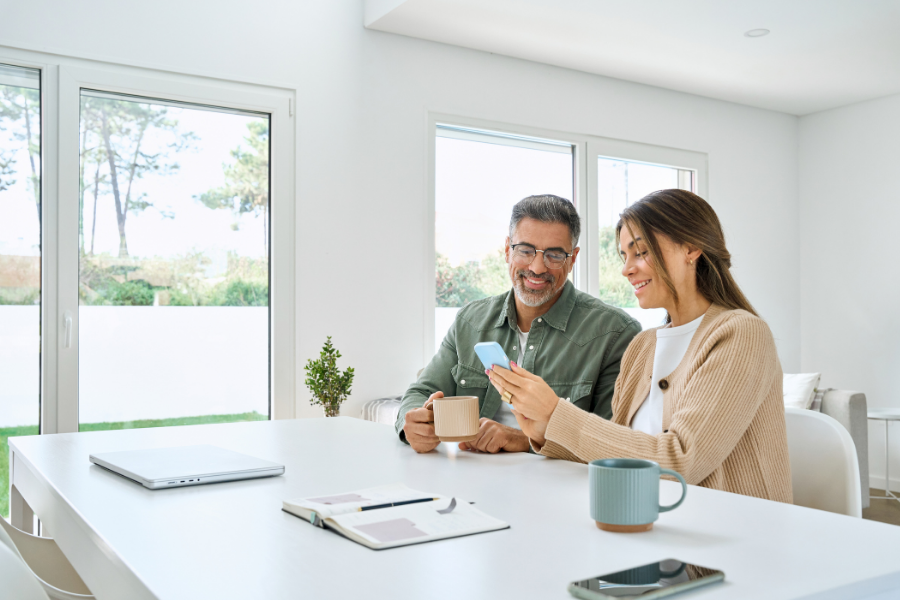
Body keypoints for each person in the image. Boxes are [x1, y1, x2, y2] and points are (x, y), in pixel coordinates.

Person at [489, 189, 792, 502]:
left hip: (730, 537)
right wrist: (542, 431)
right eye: (624, 256)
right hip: (645, 523)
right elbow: (616, 453)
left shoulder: (741, 334)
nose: (626, 269)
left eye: (641, 252)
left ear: (691, 248)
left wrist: (556, 413)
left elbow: (680, 461)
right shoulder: (642, 348)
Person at [397, 195, 641, 454]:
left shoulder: (616, 334)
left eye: (554, 255)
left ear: (572, 259)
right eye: (525, 250)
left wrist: (525, 441)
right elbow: (420, 393)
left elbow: (612, 440)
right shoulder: (469, 321)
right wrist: (411, 423)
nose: (537, 267)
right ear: (507, 250)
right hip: (468, 482)